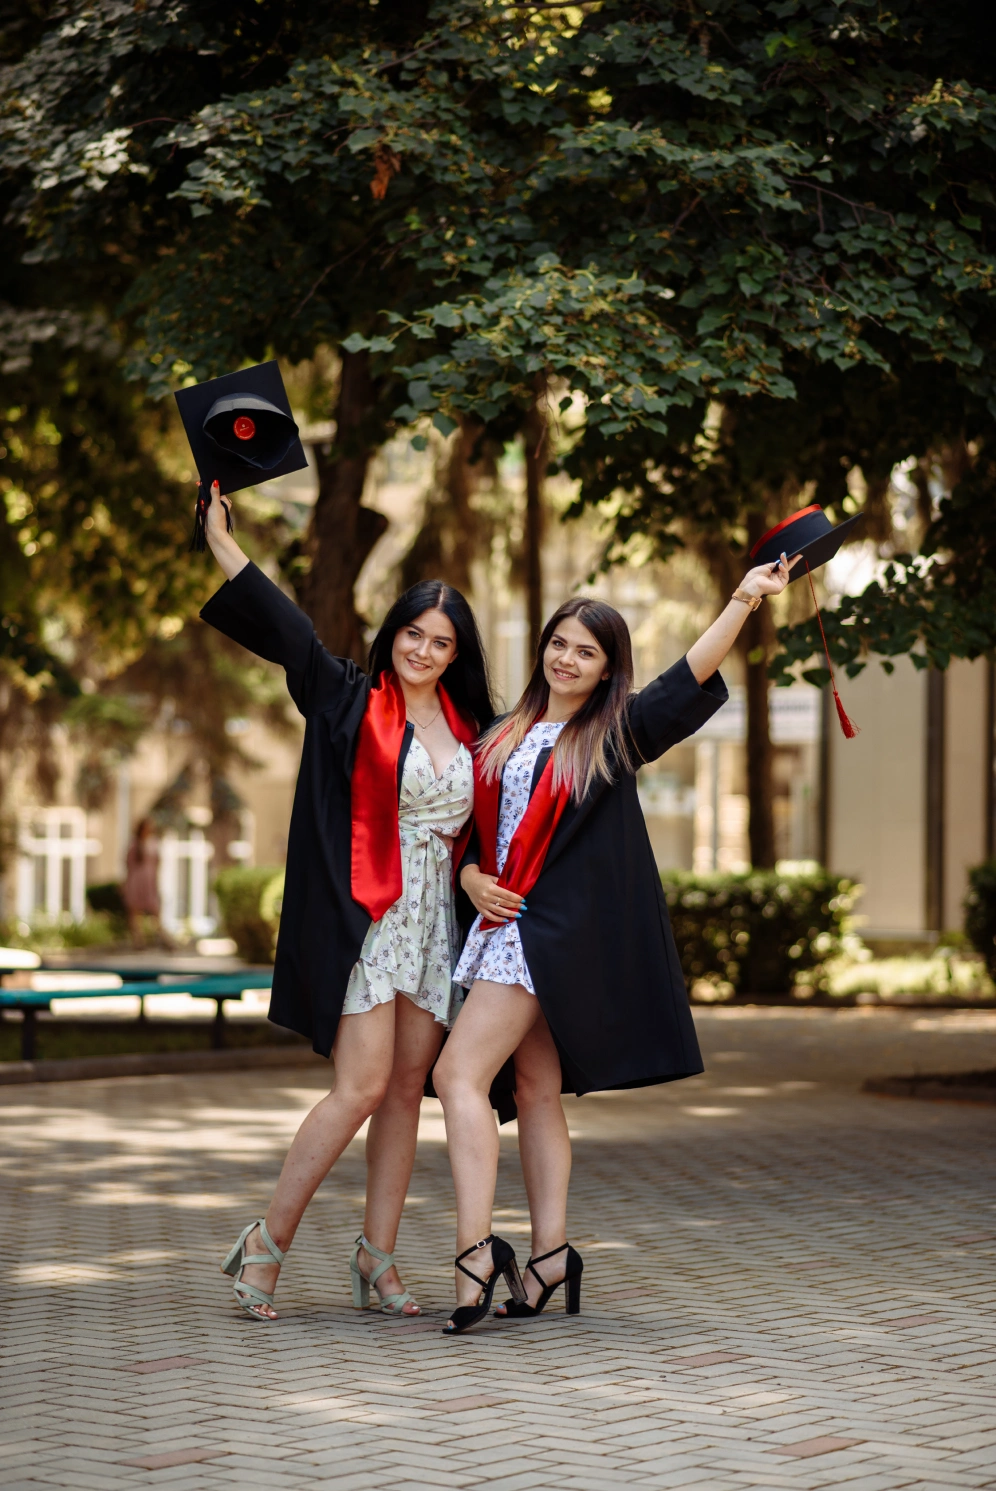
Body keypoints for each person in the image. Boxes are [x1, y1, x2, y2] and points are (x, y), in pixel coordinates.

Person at [433, 551, 797, 1333]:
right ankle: (552, 1253)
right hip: (496, 924)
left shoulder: (608, 739)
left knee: (457, 1074)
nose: (567, 658)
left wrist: (741, 599)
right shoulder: (502, 733)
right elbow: (471, 836)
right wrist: (469, 879)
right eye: (559, 643)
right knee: (532, 1089)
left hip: (546, 937)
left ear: (607, 671)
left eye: (587, 651)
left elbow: (683, 679)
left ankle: (473, 1254)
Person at [197, 481, 495, 1320]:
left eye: (441, 641)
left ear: (456, 652)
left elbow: (489, 824)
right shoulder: (351, 703)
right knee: (359, 1087)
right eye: (413, 633)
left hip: (436, 925)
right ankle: (268, 1242)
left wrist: (471, 873)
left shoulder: (476, 728)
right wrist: (223, 542)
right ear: (391, 634)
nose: (425, 650)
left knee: (407, 1092)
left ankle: (378, 1260)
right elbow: (292, 635)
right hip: (372, 914)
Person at [122, 817, 161, 947]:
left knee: (154, 909)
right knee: (135, 911)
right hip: (137, 880)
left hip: (149, 880)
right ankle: (138, 940)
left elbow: (157, 863)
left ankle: (160, 935)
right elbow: (128, 864)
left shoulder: (153, 843)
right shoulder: (134, 844)